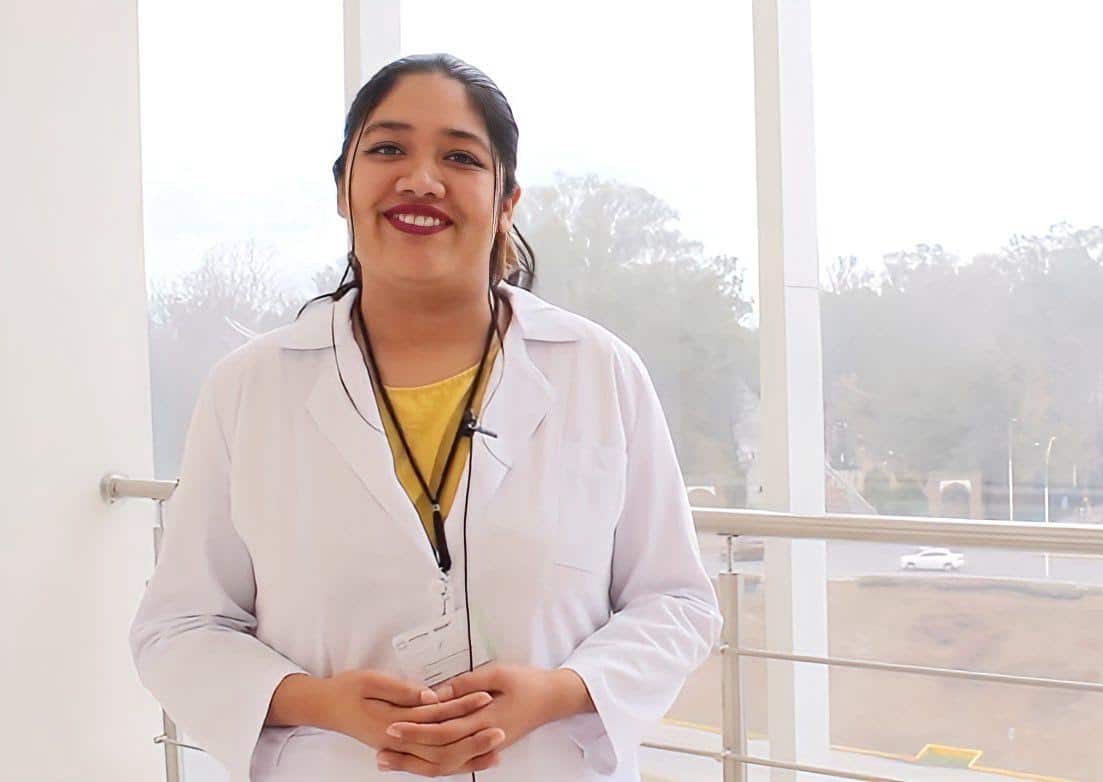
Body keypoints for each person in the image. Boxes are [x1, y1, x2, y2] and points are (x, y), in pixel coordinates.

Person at [130, 53, 721, 782]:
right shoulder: (251, 387)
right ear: (343, 188)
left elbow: (675, 601)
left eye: (460, 157)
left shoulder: (598, 370)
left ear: (506, 200)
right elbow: (179, 627)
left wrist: (561, 692)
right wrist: (317, 702)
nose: (420, 179)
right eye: (387, 149)